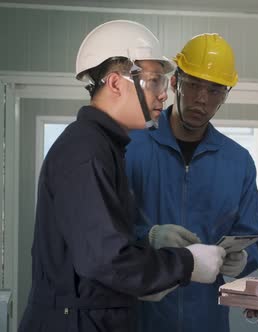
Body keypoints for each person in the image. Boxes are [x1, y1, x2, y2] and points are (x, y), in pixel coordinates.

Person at [18, 20, 227, 332]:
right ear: (116, 83)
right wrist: (187, 263)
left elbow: (100, 249)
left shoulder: (104, 146)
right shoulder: (85, 150)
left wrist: (148, 246)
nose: (163, 96)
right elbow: (106, 260)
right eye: (155, 81)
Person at [125, 33, 258, 332]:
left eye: (214, 90)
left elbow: (253, 237)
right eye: (194, 85)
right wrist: (146, 236)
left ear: (225, 95)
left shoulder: (237, 162)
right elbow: (102, 231)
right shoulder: (131, 145)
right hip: (138, 316)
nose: (202, 98)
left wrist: (242, 260)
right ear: (175, 82)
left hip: (206, 319)